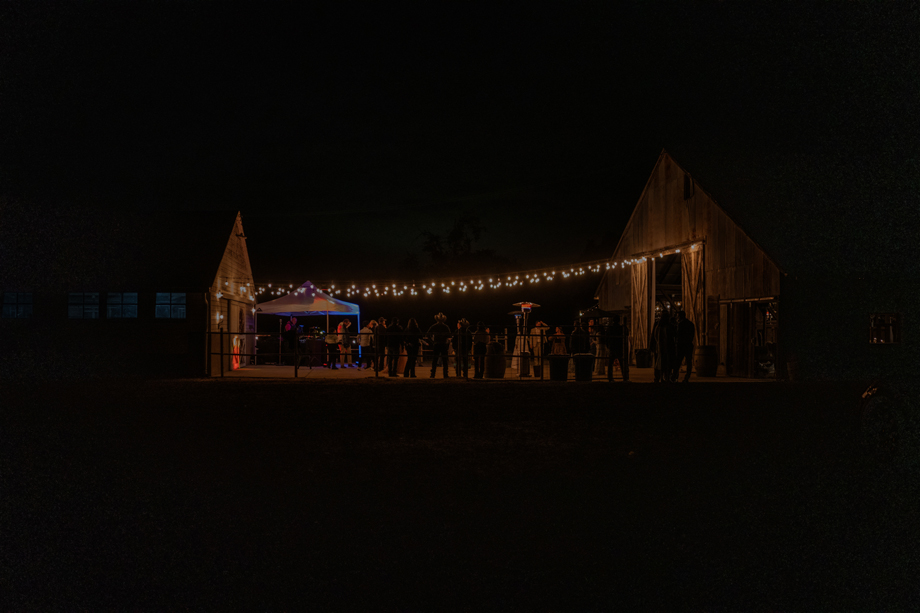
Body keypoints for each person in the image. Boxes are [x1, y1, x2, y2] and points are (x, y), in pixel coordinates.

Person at [650, 311, 676, 382]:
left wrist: (652, 345)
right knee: (667, 363)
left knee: (659, 363)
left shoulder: (658, 325)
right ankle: (666, 377)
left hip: (659, 347)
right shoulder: (669, 326)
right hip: (667, 347)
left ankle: (659, 377)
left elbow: (654, 336)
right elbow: (673, 335)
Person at [672, 310, 696, 382]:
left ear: (680, 316)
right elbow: (692, 335)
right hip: (688, 344)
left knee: (678, 361)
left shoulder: (680, 324)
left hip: (681, 345)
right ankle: (687, 377)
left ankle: (674, 376)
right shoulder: (690, 324)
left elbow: (677, 334)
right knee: (689, 361)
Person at [427, 312, 452, 378]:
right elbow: (449, 336)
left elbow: (428, 334)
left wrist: (432, 342)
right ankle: (445, 374)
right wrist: (447, 344)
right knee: (444, 360)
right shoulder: (445, 327)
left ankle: (433, 374)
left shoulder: (434, 326)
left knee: (435, 360)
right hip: (443, 344)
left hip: (437, 344)